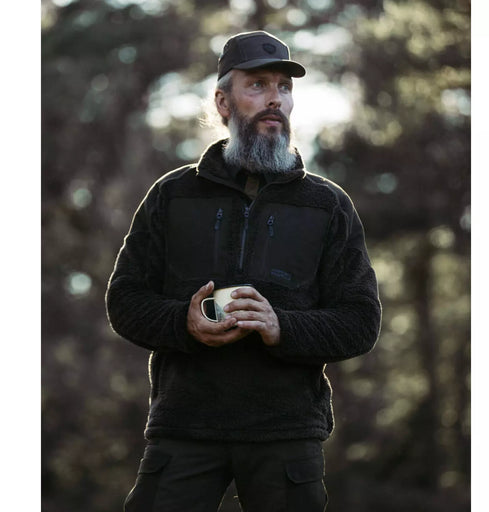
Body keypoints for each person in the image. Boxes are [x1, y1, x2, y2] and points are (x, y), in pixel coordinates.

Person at [106, 30, 381, 512]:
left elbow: (360, 322)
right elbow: (125, 301)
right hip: (185, 428)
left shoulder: (328, 204)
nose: (275, 99)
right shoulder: (172, 195)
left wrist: (281, 327)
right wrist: (184, 323)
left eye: (284, 87)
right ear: (223, 102)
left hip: (286, 434)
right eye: (257, 85)